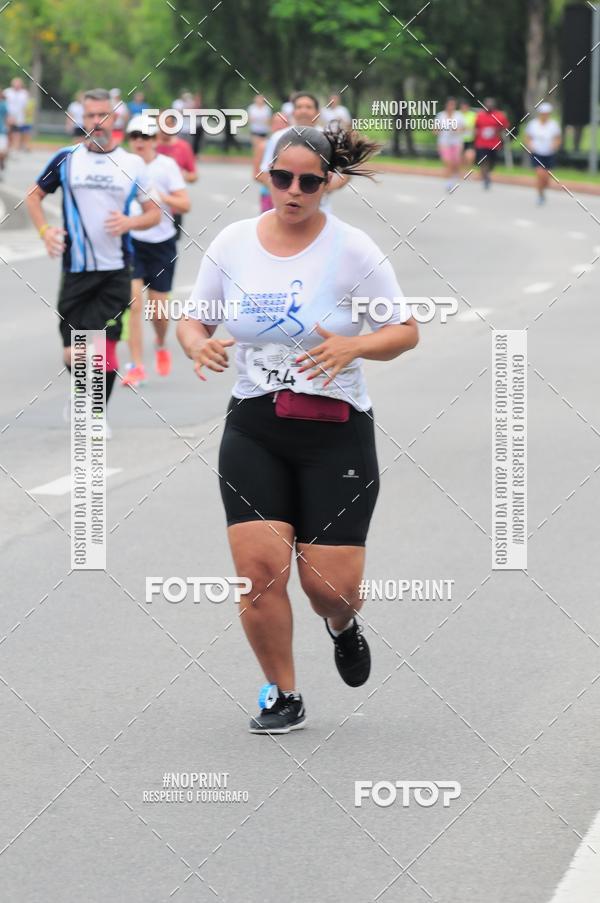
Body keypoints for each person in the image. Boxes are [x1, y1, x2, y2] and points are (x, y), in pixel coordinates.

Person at [177, 126, 419, 733]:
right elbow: (194, 320)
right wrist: (197, 345)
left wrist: (354, 346)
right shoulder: (233, 242)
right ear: (265, 174)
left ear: (327, 184)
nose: (294, 190)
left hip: (335, 429)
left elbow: (405, 331)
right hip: (255, 425)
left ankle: (342, 623)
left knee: (327, 589)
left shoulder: (353, 250)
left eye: (309, 181)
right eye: (283, 177)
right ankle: (283, 694)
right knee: (259, 574)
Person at [24, 88, 160, 430]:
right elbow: (34, 196)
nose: (96, 122)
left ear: (115, 118)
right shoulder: (66, 159)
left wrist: (130, 222)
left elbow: (155, 213)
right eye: (90, 115)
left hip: (116, 271)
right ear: (81, 119)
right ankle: (81, 394)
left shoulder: (132, 164)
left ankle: (97, 416)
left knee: (104, 349)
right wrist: (45, 232)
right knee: (74, 353)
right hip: (76, 270)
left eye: (103, 115)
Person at [122, 115, 190, 387]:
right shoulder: (123, 165)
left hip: (162, 244)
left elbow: (185, 204)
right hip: (132, 242)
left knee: (158, 311)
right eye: (134, 136)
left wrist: (161, 197)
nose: (139, 141)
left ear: (154, 140)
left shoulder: (167, 166)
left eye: (145, 136)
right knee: (134, 305)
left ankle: (161, 342)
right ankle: (137, 366)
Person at [256, 92, 347, 213]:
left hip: (321, 210)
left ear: (317, 112)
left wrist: (319, 190)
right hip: (285, 211)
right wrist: (284, 191)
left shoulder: (329, 139)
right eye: (299, 107)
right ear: (293, 112)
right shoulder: (278, 137)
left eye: (308, 107)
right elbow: (263, 173)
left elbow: (344, 174)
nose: (304, 111)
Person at [156, 113, 198, 240]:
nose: (163, 128)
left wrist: (182, 175)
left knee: (172, 243)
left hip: (175, 207)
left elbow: (193, 175)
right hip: (151, 206)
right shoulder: (150, 145)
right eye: (160, 124)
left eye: (167, 124)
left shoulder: (183, 147)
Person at [524, 102, 561, 205]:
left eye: (547, 113)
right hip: (537, 153)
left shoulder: (554, 125)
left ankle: (542, 189)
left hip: (549, 153)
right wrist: (530, 146)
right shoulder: (533, 124)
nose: (545, 115)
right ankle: (540, 195)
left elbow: (557, 138)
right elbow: (527, 137)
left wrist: (555, 145)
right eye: (543, 113)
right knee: (540, 174)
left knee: (546, 179)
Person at [474, 97, 510, 189]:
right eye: (487, 105)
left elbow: (505, 127)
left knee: (492, 162)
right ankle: (486, 178)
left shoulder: (499, 116)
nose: (488, 106)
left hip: (494, 143)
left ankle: (487, 173)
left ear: (494, 106)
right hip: (481, 143)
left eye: (490, 105)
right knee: (484, 160)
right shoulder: (480, 115)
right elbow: (475, 127)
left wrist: (498, 132)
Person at [435, 97, 464, 191]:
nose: (451, 106)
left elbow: (463, 128)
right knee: (447, 161)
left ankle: (454, 177)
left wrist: (457, 130)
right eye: (450, 104)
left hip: (456, 142)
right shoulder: (441, 115)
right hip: (444, 142)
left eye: (453, 105)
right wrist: (438, 130)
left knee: (456, 162)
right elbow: (435, 130)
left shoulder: (458, 115)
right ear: (446, 105)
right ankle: (449, 182)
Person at [248, 94, 271, 178]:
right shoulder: (252, 108)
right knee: (256, 148)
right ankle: (255, 168)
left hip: (264, 131)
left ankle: (262, 166)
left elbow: (268, 120)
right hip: (255, 131)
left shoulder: (266, 109)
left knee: (263, 149)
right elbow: (250, 119)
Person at [5, 77, 29, 151]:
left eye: (18, 84)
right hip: (8, 116)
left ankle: (16, 148)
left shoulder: (24, 93)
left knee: (17, 133)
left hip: (19, 117)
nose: (17, 85)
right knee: (8, 132)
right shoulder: (7, 92)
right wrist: (8, 116)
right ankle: (8, 147)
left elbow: (25, 106)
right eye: (15, 83)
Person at [459, 99, 476, 167]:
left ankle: (468, 167)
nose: (464, 108)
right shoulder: (457, 114)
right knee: (460, 156)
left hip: (469, 138)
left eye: (465, 106)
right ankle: (461, 168)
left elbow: (475, 126)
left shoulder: (473, 115)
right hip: (459, 139)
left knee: (470, 155)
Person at [0, 90, 8, 180]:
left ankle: (2, 167)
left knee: (2, 153)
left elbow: (7, 117)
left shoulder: (3, 105)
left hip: (1, 131)